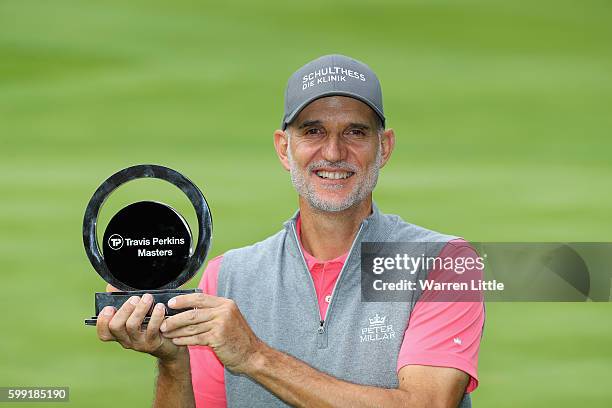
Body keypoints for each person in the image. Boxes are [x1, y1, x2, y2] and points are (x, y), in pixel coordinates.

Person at [96, 54, 484, 407]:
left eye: (355, 132)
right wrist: (172, 363)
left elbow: (428, 403)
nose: (333, 152)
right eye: (313, 132)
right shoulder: (227, 277)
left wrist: (254, 356)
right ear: (284, 148)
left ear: (384, 147)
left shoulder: (446, 263)